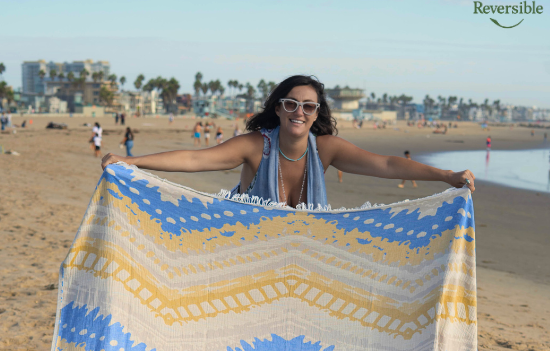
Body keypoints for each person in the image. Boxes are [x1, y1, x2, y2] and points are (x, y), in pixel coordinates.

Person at [101, 74, 475, 209]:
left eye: (308, 106)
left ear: (316, 113)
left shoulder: (326, 148)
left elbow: (388, 165)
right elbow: (197, 160)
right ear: (279, 108)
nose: (300, 111)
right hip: (248, 251)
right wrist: (133, 163)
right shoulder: (254, 145)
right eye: (291, 103)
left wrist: (446, 175)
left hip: (303, 256)